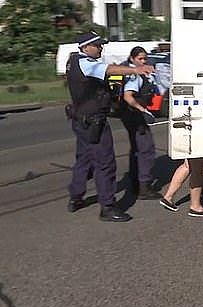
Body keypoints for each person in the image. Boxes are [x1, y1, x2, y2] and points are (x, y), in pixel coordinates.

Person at [66, 31, 153, 222]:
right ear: (85, 47)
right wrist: (135, 70)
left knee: (84, 160)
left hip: (80, 119)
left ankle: (76, 196)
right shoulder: (86, 63)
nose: (100, 48)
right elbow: (109, 70)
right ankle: (107, 206)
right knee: (105, 163)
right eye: (97, 45)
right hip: (94, 121)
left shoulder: (72, 61)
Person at [120, 46, 162, 200]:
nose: (143, 61)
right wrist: (143, 111)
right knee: (146, 149)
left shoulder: (137, 72)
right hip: (135, 116)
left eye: (145, 58)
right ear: (132, 59)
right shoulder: (134, 76)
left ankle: (135, 183)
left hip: (131, 115)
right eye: (140, 58)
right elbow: (128, 96)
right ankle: (144, 187)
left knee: (137, 149)